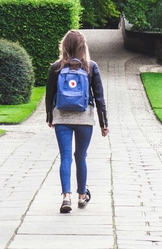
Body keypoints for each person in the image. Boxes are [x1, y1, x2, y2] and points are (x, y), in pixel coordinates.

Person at [46, 29, 109, 214]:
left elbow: (49, 96)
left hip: (62, 117)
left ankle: (66, 196)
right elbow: (99, 97)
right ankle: (82, 196)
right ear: (83, 46)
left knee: (65, 156)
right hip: (85, 118)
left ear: (64, 45)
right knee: (80, 156)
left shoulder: (56, 67)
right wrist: (104, 123)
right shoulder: (90, 67)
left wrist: (50, 117)